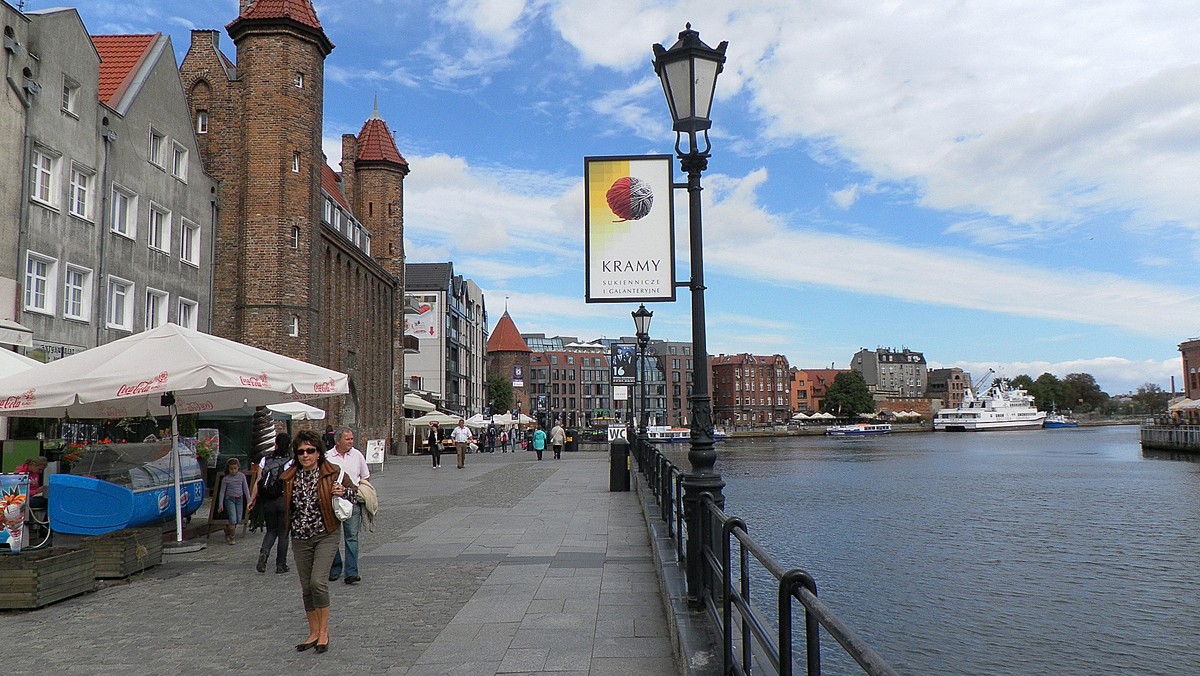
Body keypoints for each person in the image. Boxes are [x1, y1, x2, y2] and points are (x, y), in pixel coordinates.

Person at [283, 430, 356, 654]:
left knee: (317, 582)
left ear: (318, 452)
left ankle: (324, 632)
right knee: (306, 587)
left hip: (326, 532)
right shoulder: (289, 475)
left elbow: (355, 494)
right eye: (301, 451)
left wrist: (343, 491)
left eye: (310, 451)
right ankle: (313, 632)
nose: (305, 455)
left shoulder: (332, 472)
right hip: (299, 536)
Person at [325, 428, 369, 585]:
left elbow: (365, 476)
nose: (351, 441)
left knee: (351, 537)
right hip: (332, 501)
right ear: (338, 441)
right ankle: (335, 568)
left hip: (352, 500)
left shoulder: (357, 455)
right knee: (332, 536)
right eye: (348, 439)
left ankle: (351, 572)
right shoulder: (327, 457)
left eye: (352, 439)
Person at [248, 432, 293, 573]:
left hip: (267, 500)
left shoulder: (265, 460)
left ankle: (264, 553)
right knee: (283, 533)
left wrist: (252, 499)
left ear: (276, 444)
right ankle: (281, 564)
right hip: (283, 499)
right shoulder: (290, 462)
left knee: (271, 531)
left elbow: (258, 481)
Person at [217, 458, 250, 545]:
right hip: (229, 499)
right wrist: (220, 504)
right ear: (228, 469)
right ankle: (232, 537)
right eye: (231, 469)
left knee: (238, 518)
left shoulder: (242, 476)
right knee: (233, 518)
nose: (233, 471)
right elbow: (222, 492)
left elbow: (246, 489)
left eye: (235, 468)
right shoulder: (226, 479)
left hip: (239, 498)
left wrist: (249, 501)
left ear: (238, 468)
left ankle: (228, 529)